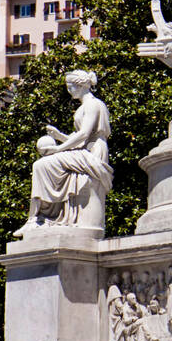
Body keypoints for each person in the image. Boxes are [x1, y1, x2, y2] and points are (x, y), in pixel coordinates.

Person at [19, 71, 112, 232]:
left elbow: (84, 134)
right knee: (43, 165)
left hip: (93, 152)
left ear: (81, 85)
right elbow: (80, 137)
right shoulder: (86, 105)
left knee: (41, 165)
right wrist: (59, 136)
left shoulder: (92, 104)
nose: (69, 90)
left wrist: (58, 148)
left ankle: (38, 217)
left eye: (70, 87)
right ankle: (42, 217)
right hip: (85, 150)